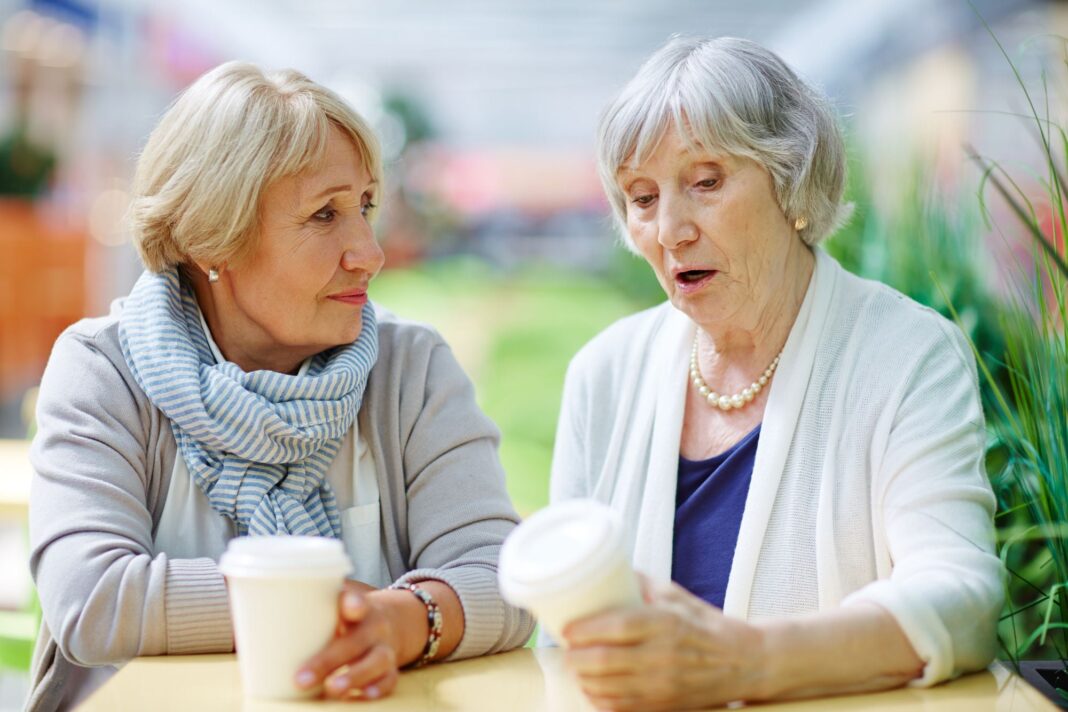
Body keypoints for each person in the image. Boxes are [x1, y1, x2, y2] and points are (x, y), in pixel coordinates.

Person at [26, 61, 533, 711]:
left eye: (366, 206)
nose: (368, 252)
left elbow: (503, 580)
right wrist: (328, 601)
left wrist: (399, 621)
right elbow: (92, 601)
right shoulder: (103, 369)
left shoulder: (411, 369)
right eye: (325, 215)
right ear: (212, 237)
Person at [548, 36, 1003, 710]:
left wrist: (747, 662)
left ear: (791, 179)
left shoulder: (909, 354)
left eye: (706, 182)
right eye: (641, 198)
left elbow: (961, 597)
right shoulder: (603, 373)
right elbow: (567, 620)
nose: (670, 228)